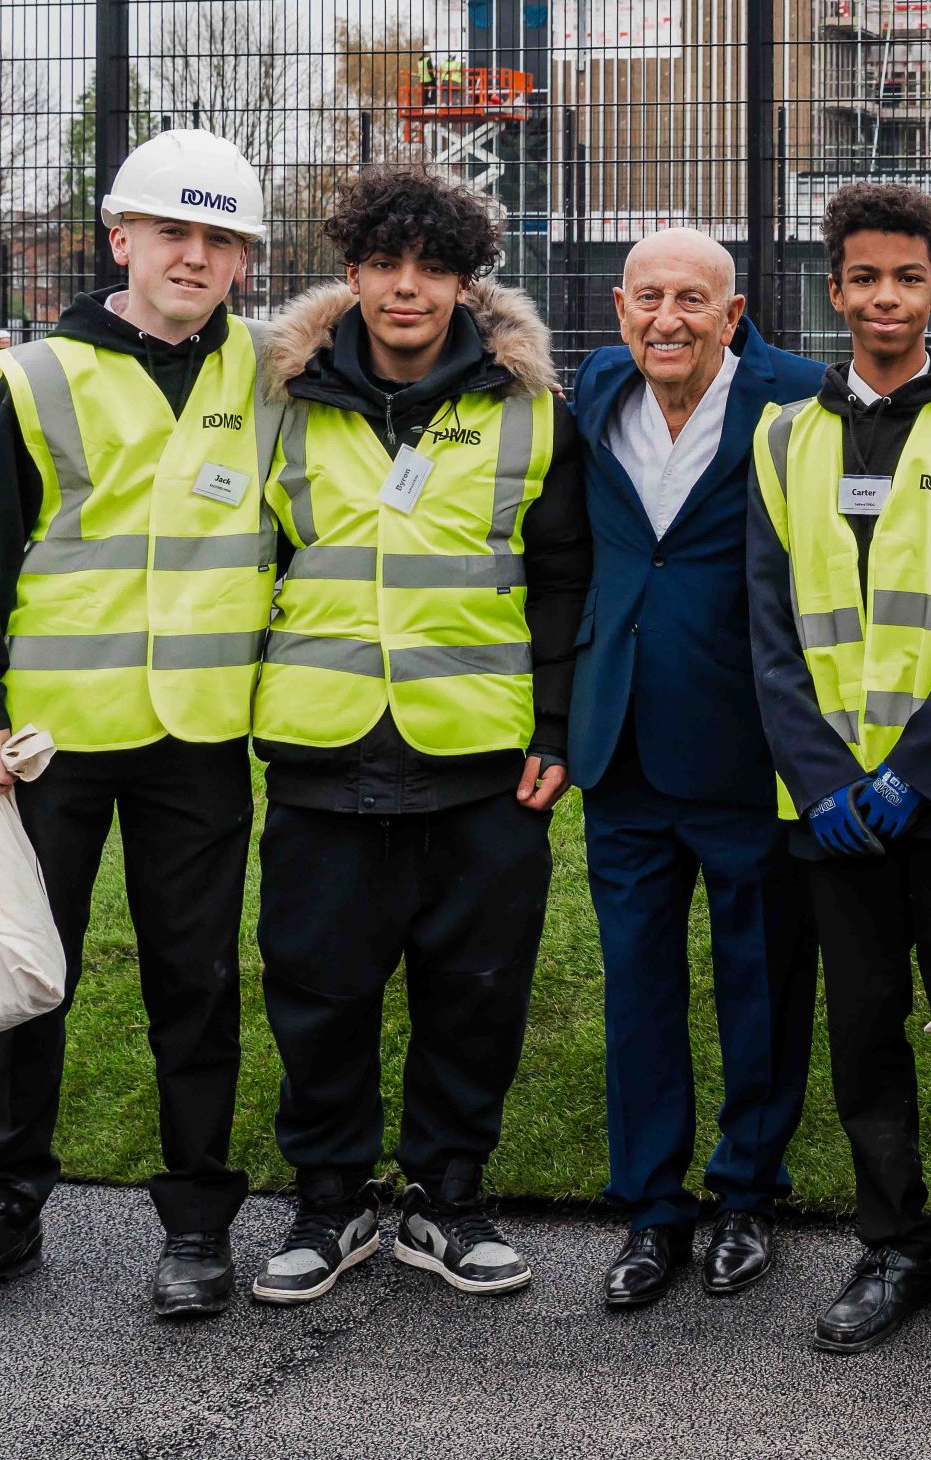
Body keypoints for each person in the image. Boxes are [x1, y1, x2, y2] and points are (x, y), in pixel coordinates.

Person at [0, 128, 282, 1320]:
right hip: (48, 739)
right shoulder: (40, 376)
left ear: (242, 262)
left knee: (196, 979)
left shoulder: (271, 374)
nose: (195, 255)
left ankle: (199, 1224)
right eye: (174, 230)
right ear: (122, 238)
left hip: (199, 734)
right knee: (24, 975)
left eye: (221, 239)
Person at [243, 167, 588, 1306]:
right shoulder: (278, 398)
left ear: (464, 280)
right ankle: (329, 1204)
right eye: (384, 264)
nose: (406, 288)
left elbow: (562, 580)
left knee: (475, 993)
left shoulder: (530, 409)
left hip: (480, 760)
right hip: (321, 752)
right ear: (349, 273)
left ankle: (448, 1203)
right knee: (318, 992)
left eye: (432, 267)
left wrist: (555, 723)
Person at [747, 181, 931, 1354]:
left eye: (907, 277)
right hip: (831, 808)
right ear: (836, 292)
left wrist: (915, 772)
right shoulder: (785, 436)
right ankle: (889, 1247)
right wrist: (824, 780)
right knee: (864, 1025)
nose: (886, 296)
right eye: (863, 276)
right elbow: (770, 628)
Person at [568, 228, 821, 1309]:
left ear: (735, 308)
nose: (667, 319)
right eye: (648, 298)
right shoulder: (594, 388)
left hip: (748, 748)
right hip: (617, 741)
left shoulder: (799, 396)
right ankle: (652, 1208)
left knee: (760, 983)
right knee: (639, 988)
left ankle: (748, 1196)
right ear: (620, 309)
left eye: (692, 299)